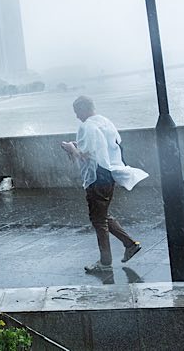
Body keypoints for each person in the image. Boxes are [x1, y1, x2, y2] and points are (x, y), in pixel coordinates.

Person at [60, 96, 147, 273]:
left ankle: (105, 262)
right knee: (102, 215)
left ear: (83, 109)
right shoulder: (106, 123)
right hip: (109, 174)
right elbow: (103, 148)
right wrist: (78, 146)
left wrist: (71, 148)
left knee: (98, 220)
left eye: (77, 112)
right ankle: (130, 244)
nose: (77, 116)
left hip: (97, 177)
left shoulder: (87, 126)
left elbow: (85, 156)